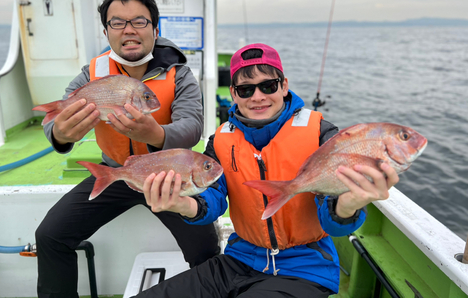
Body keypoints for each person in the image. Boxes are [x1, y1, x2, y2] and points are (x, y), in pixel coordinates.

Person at [134, 43, 400, 298]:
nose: (258, 96)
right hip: (239, 260)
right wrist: (183, 205)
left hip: (305, 269)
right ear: (234, 94)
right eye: (246, 90)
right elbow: (212, 199)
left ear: (284, 86)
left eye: (268, 86)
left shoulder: (321, 134)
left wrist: (348, 206)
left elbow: (334, 222)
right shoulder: (221, 140)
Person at [35, 0, 220, 298]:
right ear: (107, 31)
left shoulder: (179, 74)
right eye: (117, 23)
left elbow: (192, 128)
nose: (129, 30)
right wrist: (60, 135)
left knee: (206, 248)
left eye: (139, 21)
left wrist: (153, 134)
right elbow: (56, 119)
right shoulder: (91, 76)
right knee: (51, 235)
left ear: (155, 28)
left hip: (170, 177)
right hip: (116, 173)